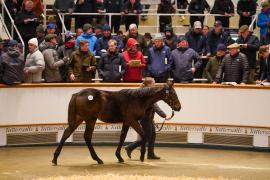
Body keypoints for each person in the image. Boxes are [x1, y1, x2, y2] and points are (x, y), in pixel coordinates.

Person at [125, 77, 172, 160]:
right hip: (144, 118)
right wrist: (164, 115)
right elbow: (155, 106)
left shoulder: (148, 92)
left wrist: (153, 120)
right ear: (149, 84)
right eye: (153, 83)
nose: (154, 85)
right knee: (147, 137)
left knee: (153, 136)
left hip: (148, 118)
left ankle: (150, 154)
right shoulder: (146, 93)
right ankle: (130, 147)